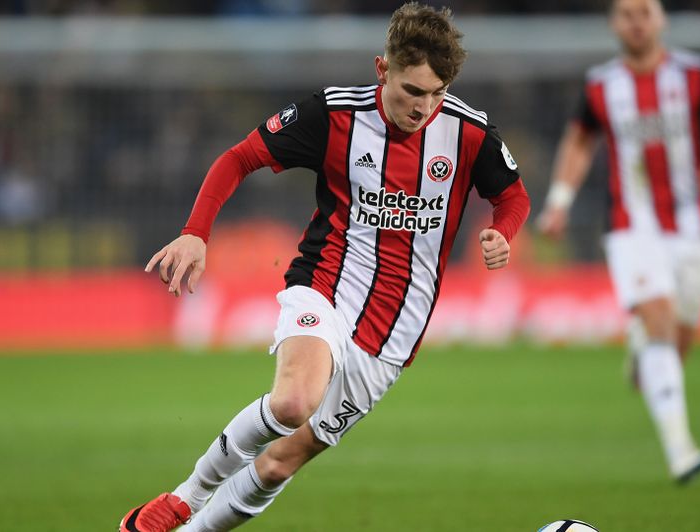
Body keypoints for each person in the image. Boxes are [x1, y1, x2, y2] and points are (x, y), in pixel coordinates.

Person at [119, 4, 530, 531]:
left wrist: (503, 232)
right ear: (382, 69)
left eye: (436, 93)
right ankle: (185, 498)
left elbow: (513, 196)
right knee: (293, 402)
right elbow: (239, 158)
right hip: (326, 285)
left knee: (278, 463)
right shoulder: (333, 115)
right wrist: (196, 232)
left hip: (394, 333)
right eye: (412, 90)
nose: (423, 107)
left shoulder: (468, 132)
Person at [537, 0, 700, 484]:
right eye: (627, 14)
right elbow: (579, 142)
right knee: (658, 314)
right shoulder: (600, 85)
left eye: (645, 12)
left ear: (662, 20)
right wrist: (558, 202)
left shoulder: (696, 75)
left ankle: (644, 349)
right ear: (613, 23)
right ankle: (681, 450)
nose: (636, 22)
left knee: (676, 344)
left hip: (692, 227)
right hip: (630, 225)